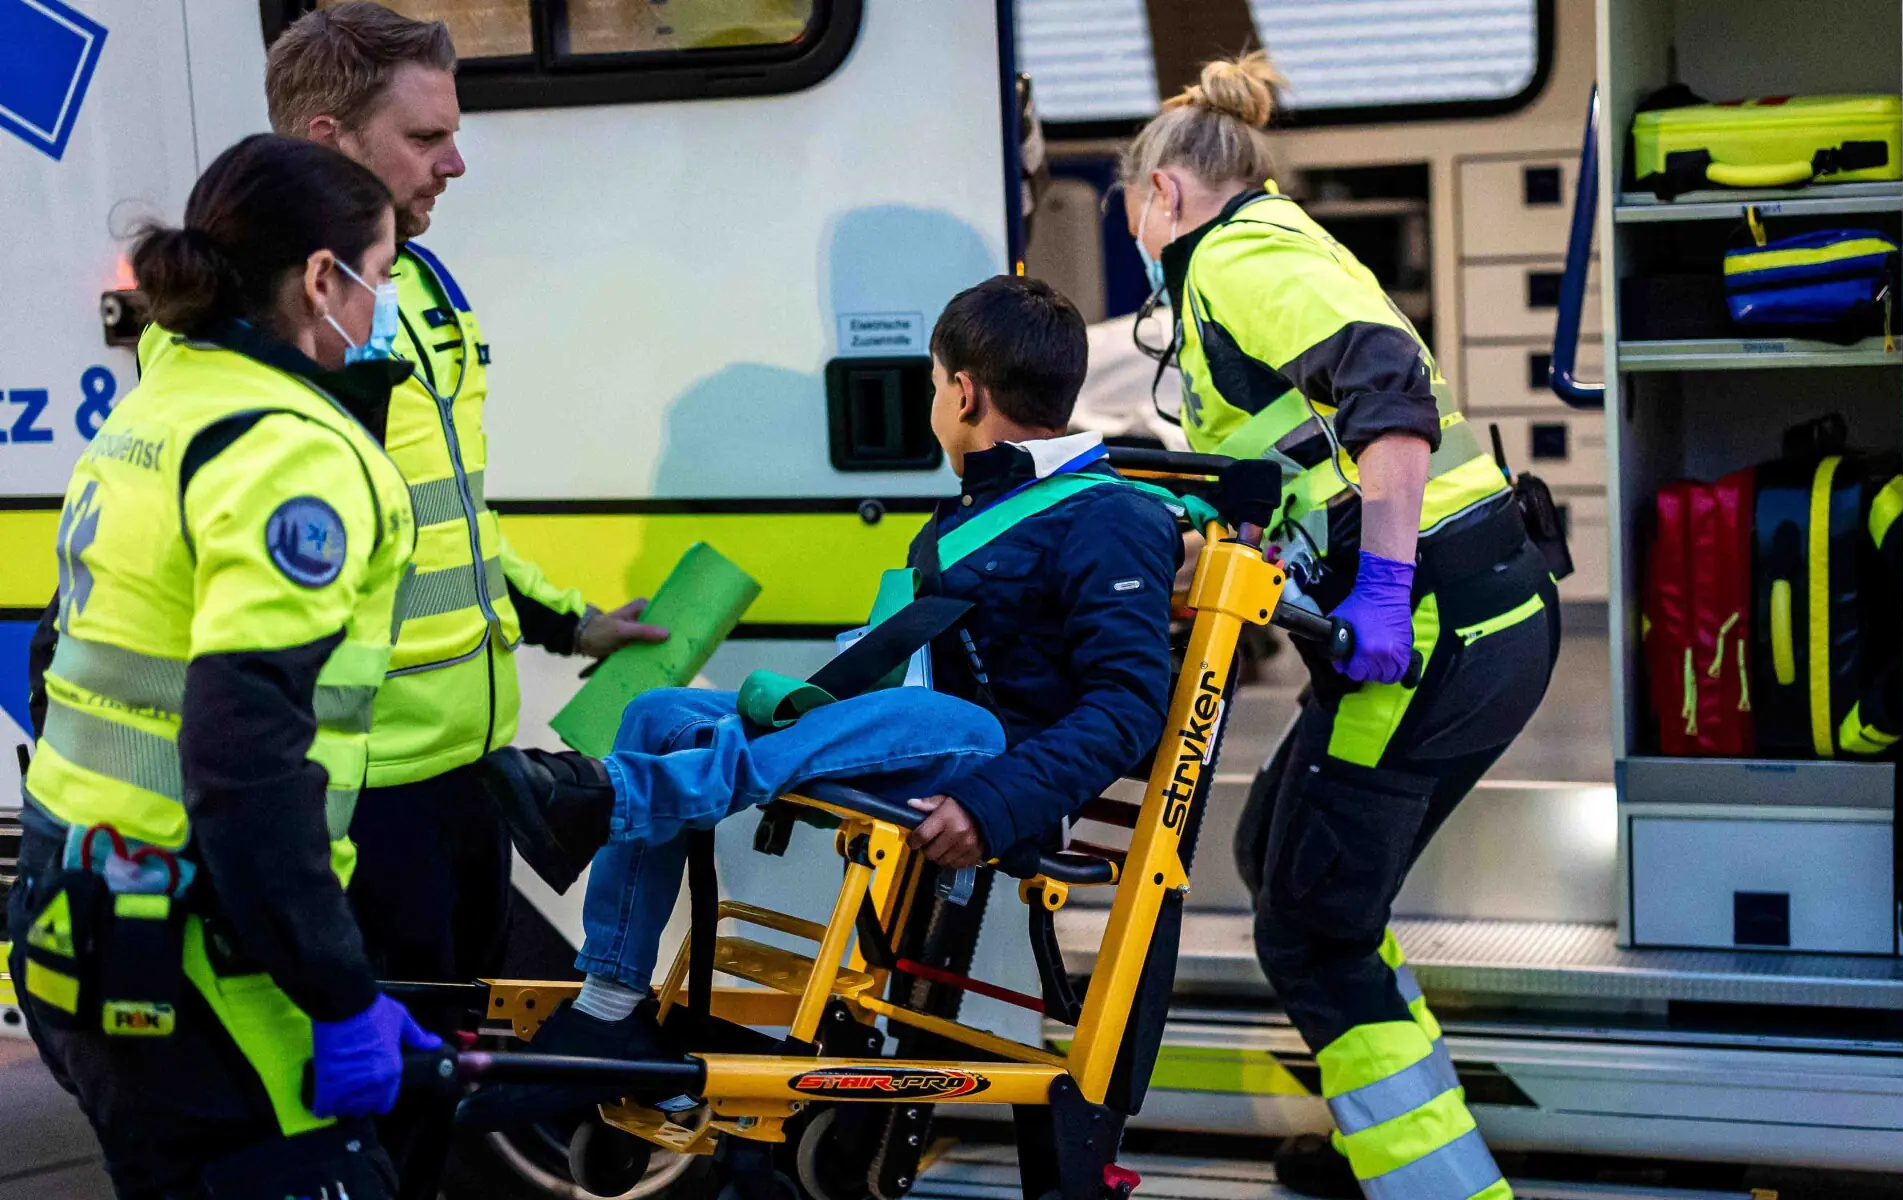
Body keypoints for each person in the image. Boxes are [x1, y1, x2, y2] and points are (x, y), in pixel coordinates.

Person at [459, 275, 1184, 1122]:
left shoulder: (1112, 516)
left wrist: (995, 805)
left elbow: (1131, 706)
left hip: (992, 760)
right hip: (915, 735)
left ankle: (619, 797)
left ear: (962, 392)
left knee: (948, 717)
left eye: (932, 387)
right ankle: (608, 1011)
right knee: (658, 716)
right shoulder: (964, 516)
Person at [1123, 54, 1559, 1200]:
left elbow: (1388, 399)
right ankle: (1394, 1145)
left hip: (1425, 629)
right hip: (1466, 617)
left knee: (1312, 924)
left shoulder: (1236, 256)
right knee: (1280, 860)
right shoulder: (1274, 244)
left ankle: (1436, 1187)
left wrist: (1375, 586)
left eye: (1130, 211)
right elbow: (1292, 451)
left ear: (1160, 193)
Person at [260, 7, 668, 1192]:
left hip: (461, 771)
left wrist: (561, 619)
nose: (457, 160)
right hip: (357, 793)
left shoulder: (422, 285)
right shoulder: (278, 323)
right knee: (357, 1119)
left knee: (433, 1101)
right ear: (331, 139)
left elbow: (448, 514)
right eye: (427, 133)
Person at [7, 134, 435, 1198]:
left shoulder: (159, 403)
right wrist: (338, 995)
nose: (380, 304)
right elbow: (242, 764)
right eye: (378, 276)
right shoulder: (294, 450)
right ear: (321, 279)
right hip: (200, 949)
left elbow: (58, 662)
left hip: (79, 909)